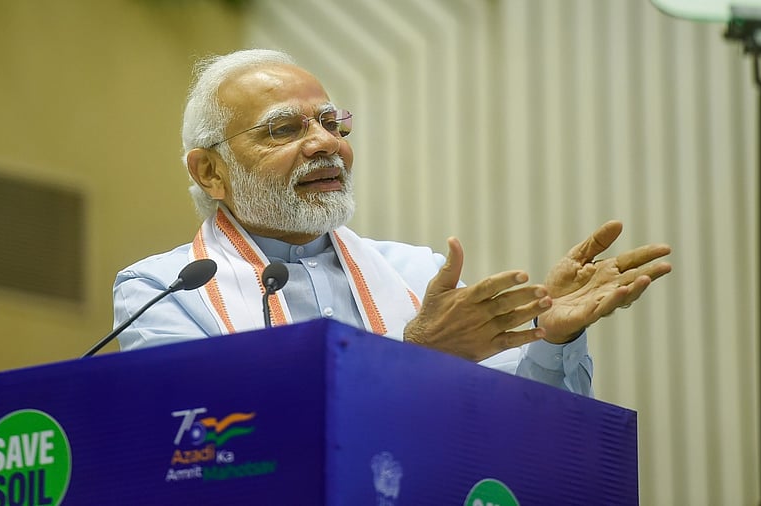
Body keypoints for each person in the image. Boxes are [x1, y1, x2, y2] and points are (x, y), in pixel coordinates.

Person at [112, 49, 672, 397]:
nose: (326, 144)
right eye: (284, 129)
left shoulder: (417, 275)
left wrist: (556, 337)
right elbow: (199, 441)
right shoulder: (163, 291)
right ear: (210, 171)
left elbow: (520, 438)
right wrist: (415, 358)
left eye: (333, 123)